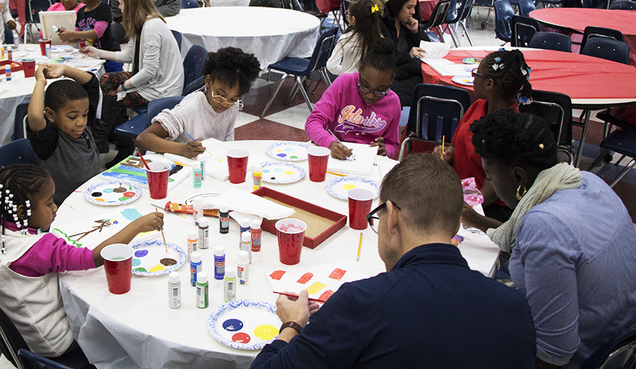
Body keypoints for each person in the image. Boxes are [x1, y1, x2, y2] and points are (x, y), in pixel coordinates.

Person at [249, 153, 536, 369]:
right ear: (456, 227)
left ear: (392, 216)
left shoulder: (361, 304)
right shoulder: (515, 307)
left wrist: (293, 324)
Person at [462, 110, 636, 369]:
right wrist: (477, 221)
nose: (490, 183)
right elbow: (520, 235)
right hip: (621, 340)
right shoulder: (586, 181)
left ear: (518, 177)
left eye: (490, 176)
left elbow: (553, 353)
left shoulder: (544, 224)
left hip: (585, 356)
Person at [0, 164, 163, 368]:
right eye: (49, 203)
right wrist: (137, 226)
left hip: (20, 335)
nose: (55, 208)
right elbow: (96, 257)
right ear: (23, 212)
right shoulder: (39, 250)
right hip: (56, 344)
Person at [83, 0, 184, 165]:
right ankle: (114, 137)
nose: (119, 7)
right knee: (106, 81)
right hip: (152, 81)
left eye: (121, 3)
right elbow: (130, 56)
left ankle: (104, 137)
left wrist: (124, 87)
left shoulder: (152, 27)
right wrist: (97, 52)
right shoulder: (142, 23)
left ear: (131, 4)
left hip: (162, 89)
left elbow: (149, 71)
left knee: (114, 96)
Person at [434, 50, 531, 222]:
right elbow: (456, 144)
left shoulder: (509, 130)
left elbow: (490, 192)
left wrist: (454, 208)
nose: (473, 78)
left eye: (476, 74)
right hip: (458, 192)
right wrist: (448, 153)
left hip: (484, 209)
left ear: (489, 84)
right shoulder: (478, 105)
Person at [135, 47, 260, 158]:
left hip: (207, 165)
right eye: (220, 95)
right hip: (176, 166)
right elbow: (143, 139)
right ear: (208, 81)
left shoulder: (232, 106)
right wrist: (182, 149)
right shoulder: (190, 108)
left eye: (233, 99)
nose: (224, 103)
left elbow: (227, 141)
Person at [306, 37, 401, 159]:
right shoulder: (345, 83)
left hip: (368, 161)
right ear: (360, 71)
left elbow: (392, 145)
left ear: (391, 81)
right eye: (364, 86)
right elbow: (313, 122)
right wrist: (330, 143)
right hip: (336, 154)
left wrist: (385, 151)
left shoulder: (393, 102)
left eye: (380, 90)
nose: (370, 95)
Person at [27, 63, 107, 204]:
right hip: (65, 206)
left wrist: (65, 69)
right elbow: (35, 117)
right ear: (51, 115)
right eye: (72, 117)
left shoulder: (84, 126)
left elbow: (92, 83)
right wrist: (40, 82)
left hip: (93, 197)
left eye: (85, 114)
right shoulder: (50, 141)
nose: (81, 122)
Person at [57, 0, 121, 72]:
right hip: (91, 57)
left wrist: (72, 34)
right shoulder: (81, 12)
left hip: (109, 56)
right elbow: (77, 36)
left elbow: (97, 32)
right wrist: (66, 35)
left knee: (112, 83)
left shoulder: (103, 9)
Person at [379, 0, 427, 106]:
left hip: (405, 72)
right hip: (389, 74)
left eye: (414, 7)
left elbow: (426, 49)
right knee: (422, 90)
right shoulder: (382, 26)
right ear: (397, 6)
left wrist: (416, 32)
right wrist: (409, 55)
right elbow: (387, 59)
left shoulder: (406, 24)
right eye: (409, 7)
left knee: (427, 84)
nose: (413, 12)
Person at [326, 0, 383, 75]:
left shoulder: (345, 39)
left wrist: (345, 72)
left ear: (353, 19)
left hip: (349, 83)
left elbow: (331, 66)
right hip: (371, 83)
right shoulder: (380, 39)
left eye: (348, 13)